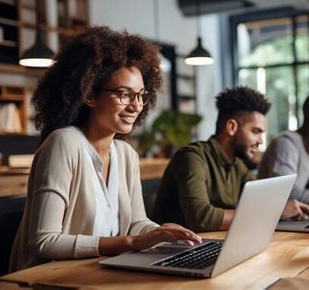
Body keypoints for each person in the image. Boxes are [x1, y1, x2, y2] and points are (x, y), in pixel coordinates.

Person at [10, 27, 201, 273]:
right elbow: (44, 242)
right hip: (48, 278)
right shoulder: (64, 143)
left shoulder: (125, 154)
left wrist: (162, 232)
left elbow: (136, 223)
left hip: (100, 271)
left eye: (141, 95)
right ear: (89, 95)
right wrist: (131, 242)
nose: (136, 106)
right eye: (124, 94)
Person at [152, 86, 309, 232]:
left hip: (210, 245)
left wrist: (289, 207)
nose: (261, 140)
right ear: (232, 127)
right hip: (170, 254)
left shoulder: (237, 165)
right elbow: (201, 218)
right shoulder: (191, 157)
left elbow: (262, 202)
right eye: (255, 131)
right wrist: (275, 212)